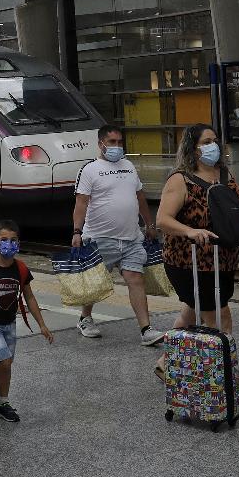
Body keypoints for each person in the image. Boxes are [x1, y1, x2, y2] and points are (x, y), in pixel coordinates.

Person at [155, 124, 239, 415]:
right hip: (190, 263)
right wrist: (190, 231)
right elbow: (162, 219)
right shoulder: (180, 180)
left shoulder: (224, 176)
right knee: (220, 321)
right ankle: (232, 389)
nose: (213, 146)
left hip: (221, 260)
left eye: (215, 141)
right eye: (206, 142)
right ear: (193, 148)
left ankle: (166, 363)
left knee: (192, 309)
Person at [70, 125, 164, 345]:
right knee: (96, 284)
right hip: (99, 238)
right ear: (101, 143)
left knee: (135, 279)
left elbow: (140, 197)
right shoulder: (90, 169)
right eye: (112, 142)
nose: (117, 147)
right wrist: (77, 231)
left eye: (120, 142)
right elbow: (81, 203)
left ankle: (146, 329)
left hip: (131, 237)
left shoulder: (129, 166)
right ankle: (85, 318)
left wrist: (149, 224)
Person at [0, 219, 53, 423]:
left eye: (14, 240)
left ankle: (2, 402)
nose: (10, 244)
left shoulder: (21, 269)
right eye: (4, 240)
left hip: (9, 322)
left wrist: (41, 324)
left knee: (8, 364)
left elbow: (29, 297)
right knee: (4, 362)